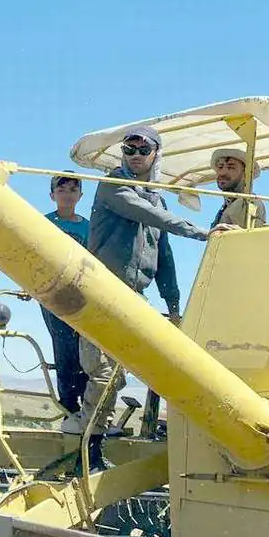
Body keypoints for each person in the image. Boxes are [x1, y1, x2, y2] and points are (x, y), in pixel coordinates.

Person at [63, 125, 228, 435]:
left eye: (142, 150)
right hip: (101, 289)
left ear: (155, 155)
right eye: (129, 150)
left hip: (134, 294)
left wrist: (174, 305)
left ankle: (131, 427)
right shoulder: (113, 184)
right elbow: (144, 213)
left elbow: (164, 256)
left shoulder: (157, 199)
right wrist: (203, 233)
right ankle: (89, 438)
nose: (135, 156)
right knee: (102, 371)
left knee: (139, 364)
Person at [41, 175, 89, 415]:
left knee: (85, 348)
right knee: (63, 346)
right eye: (62, 189)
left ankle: (88, 403)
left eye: (73, 189)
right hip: (52, 294)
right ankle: (69, 403)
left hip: (82, 294)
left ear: (80, 196)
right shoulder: (43, 223)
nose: (68, 193)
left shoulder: (89, 226)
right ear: (52, 196)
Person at [210, 146, 268, 230]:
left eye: (231, 167)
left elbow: (250, 238)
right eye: (220, 167)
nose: (223, 172)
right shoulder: (227, 206)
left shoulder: (250, 202)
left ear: (246, 173)